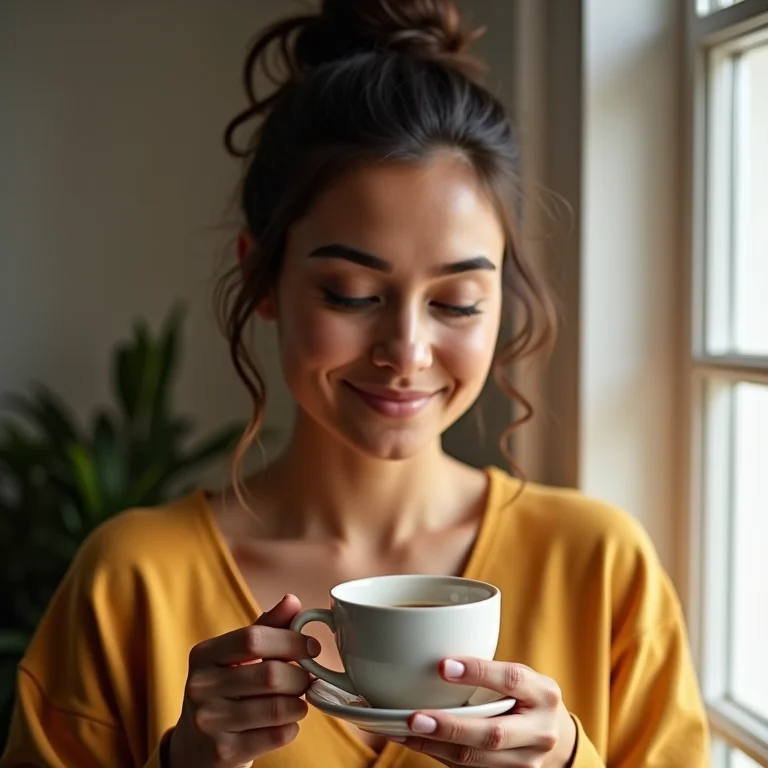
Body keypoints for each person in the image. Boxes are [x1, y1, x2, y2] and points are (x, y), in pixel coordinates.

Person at [1, 1, 710, 766]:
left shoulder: (600, 568)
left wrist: (571, 759)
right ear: (262, 277)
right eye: (350, 293)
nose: (405, 351)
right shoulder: (130, 582)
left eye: (456, 302)